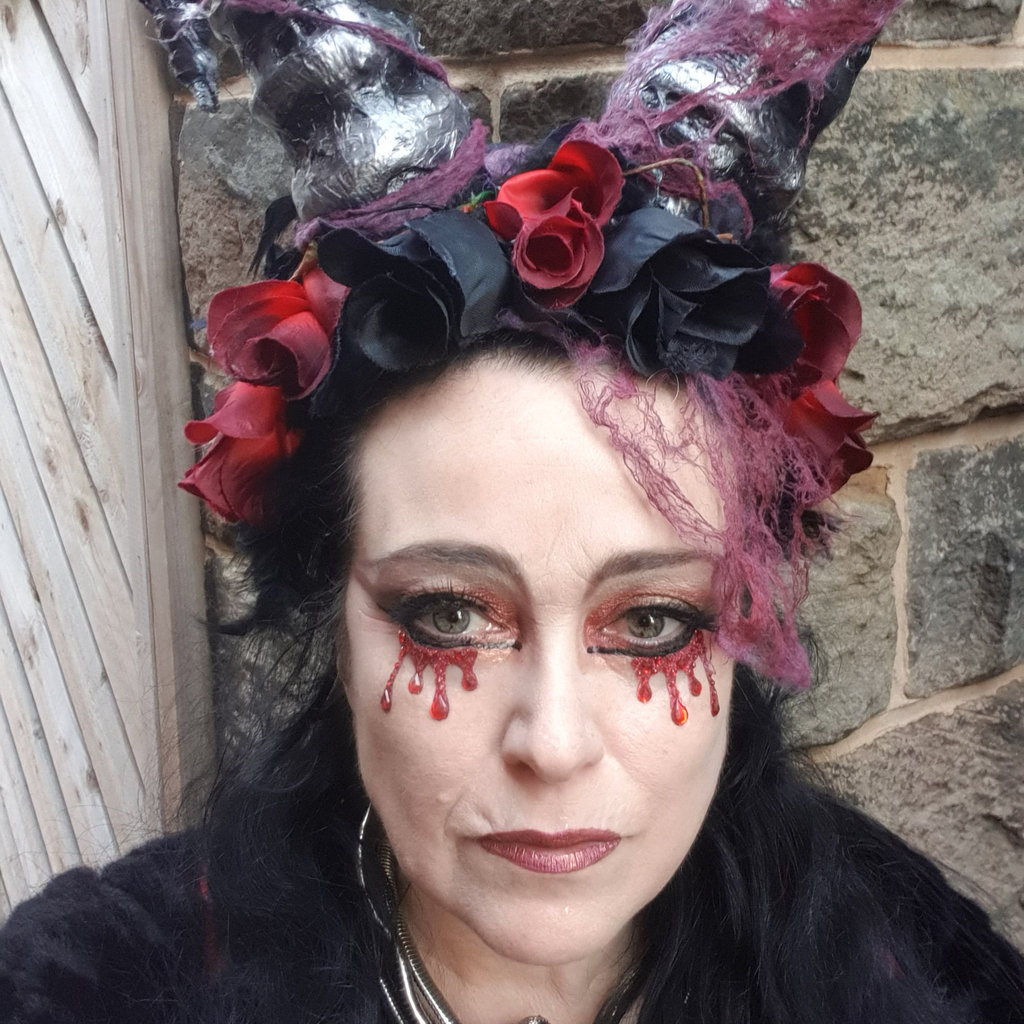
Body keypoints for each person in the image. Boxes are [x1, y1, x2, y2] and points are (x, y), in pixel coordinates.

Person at [1, 0, 1023, 1022]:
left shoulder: (910, 964)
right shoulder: (105, 981)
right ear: (336, 624)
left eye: (654, 620)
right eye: (448, 612)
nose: (554, 744)